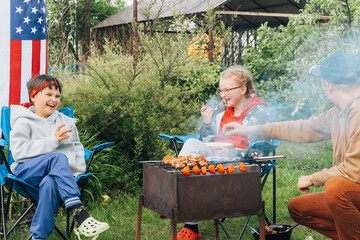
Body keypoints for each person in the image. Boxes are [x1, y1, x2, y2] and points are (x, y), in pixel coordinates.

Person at [222, 52, 360, 240]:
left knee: (336, 188)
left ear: (327, 84)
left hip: (352, 187)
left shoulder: (358, 112)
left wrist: (314, 178)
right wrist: (249, 129)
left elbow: (355, 170)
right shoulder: (339, 112)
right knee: (300, 209)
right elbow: (302, 128)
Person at [174, 65, 271, 240]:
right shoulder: (221, 111)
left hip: (241, 167)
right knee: (191, 143)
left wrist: (230, 153)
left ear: (243, 89)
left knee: (201, 163)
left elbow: (259, 151)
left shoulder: (259, 112)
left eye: (227, 90)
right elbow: (206, 141)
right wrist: (206, 122)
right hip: (215, 159)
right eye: (221, 91)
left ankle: (188, 218)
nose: (223, 95)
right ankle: (177, 198)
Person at [9, 74, 109, 240]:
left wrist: (78, 170)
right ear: (34, 96)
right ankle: (78, 211)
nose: (54, 99)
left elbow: (76, 147)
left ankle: (38, 237)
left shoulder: (65, 121)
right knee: (57, 157)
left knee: (50, 182)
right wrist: (53, 141)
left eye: (57, 96)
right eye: (48, 94)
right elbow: (18, 152)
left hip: (56, 175)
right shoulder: (23, 121)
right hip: (27, 171)